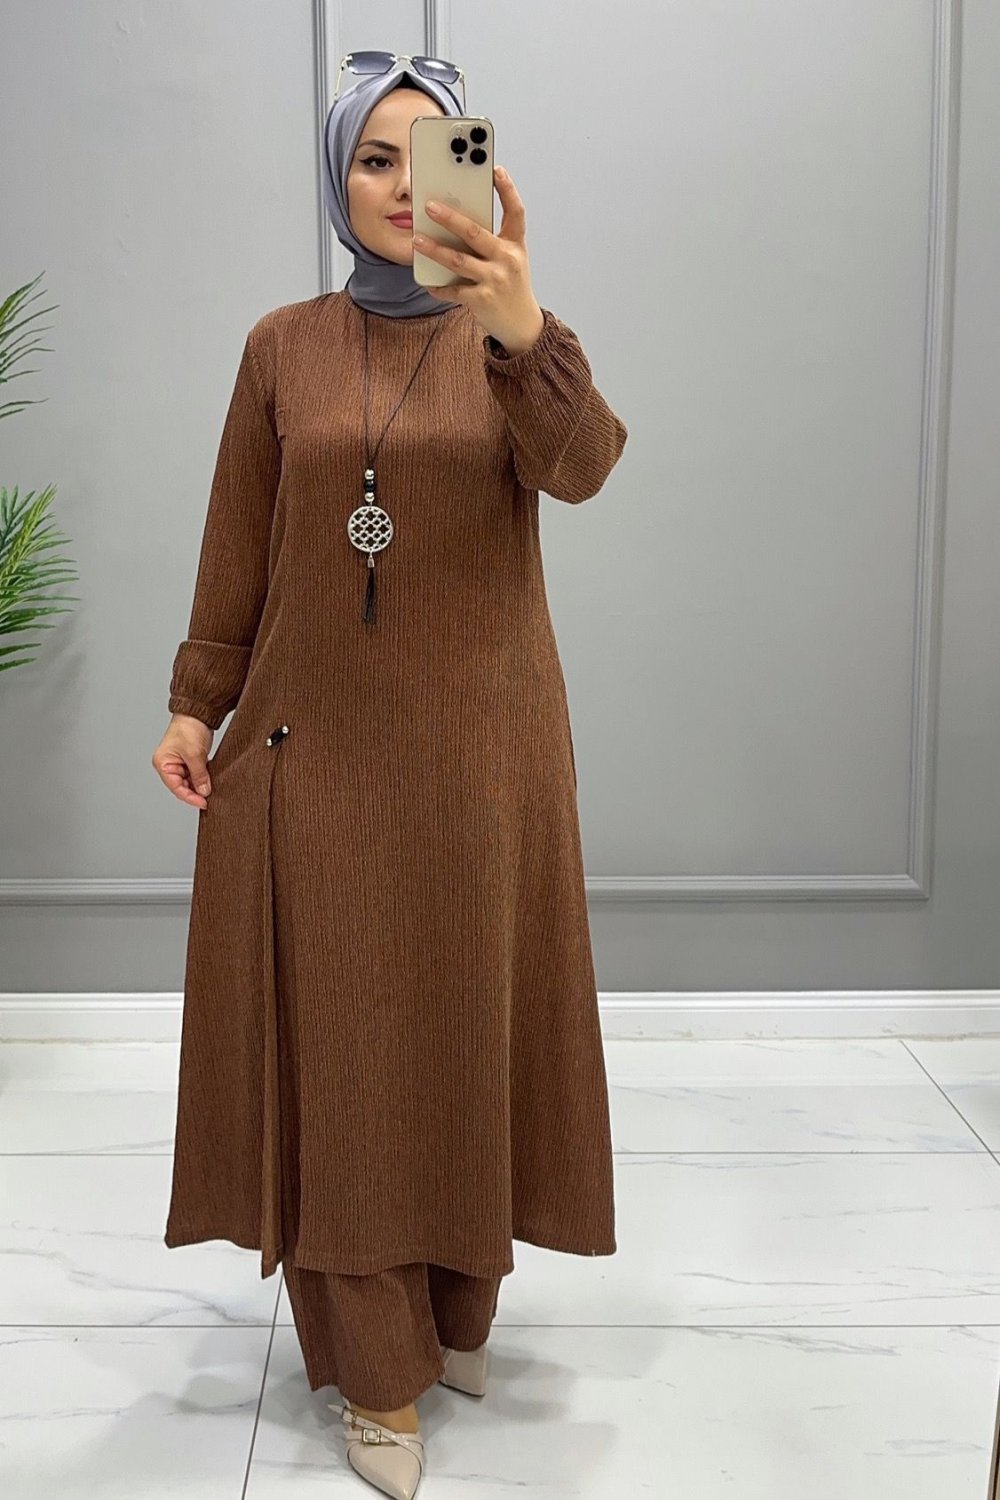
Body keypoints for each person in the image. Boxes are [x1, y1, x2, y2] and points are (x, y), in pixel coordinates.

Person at [152, 59, 628, 1500]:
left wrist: (522, 325)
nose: (404, 186)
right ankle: (375, 1368)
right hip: (320, 752)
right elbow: (238, 538)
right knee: (354, 1059)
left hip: (486, 755)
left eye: (433, 156)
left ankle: (459, 1310)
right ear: (337, 181)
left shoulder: (514, 341)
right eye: (374, 158)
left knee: (472, 1031)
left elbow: (585, 467)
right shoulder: (282, 347)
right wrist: (195, 701)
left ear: (478, 173)